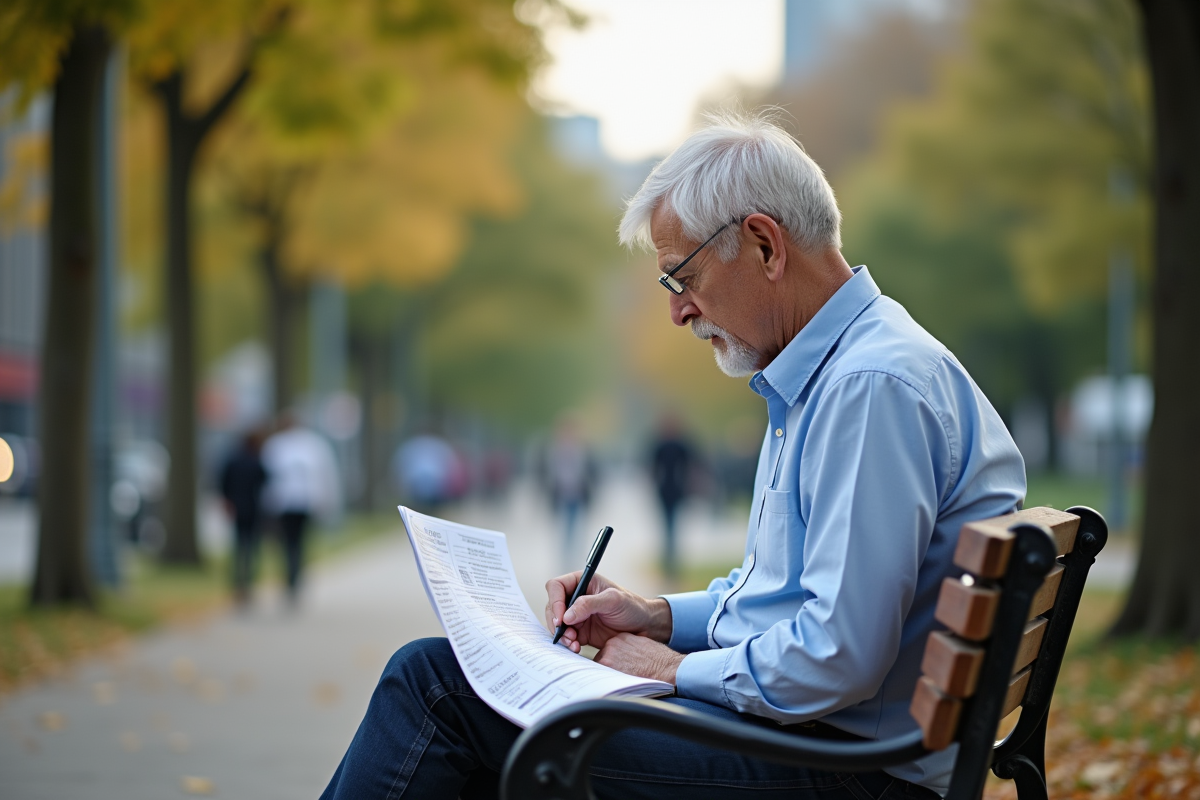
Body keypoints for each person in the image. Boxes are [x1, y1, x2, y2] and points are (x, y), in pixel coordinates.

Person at [319, 110, 1025, 800]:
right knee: (482, 709)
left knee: (439, 685)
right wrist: (650, 615)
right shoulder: (837, 375)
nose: (678, 312)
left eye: (681, 279)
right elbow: (775, 600)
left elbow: (836, 658)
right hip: (826, 745)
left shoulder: (870, 389)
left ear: (764, 246)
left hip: (847, 771)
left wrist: (670, 669)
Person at [261, 413, 340, 606]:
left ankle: (294, 577)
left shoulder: (284, 445)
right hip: (292, 503)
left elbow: (325, 474)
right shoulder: (305, 445)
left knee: (294, 541)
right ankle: (293, 576)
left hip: (298, 502)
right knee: (293, 542)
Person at [219, 429, 268, 608]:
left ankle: (238, 582)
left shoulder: (233, 460)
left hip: (237, 509)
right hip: (254, 509)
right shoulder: (257, 461)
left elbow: (223, 483)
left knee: (238, 546)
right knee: (252, 547)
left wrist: (227, 501)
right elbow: (265, 482)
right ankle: (248, 582)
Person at [648, 414, 695, 581]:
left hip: (676, 491)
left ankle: (672, 561)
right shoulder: (660, 445)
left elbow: (691, 465)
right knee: (668, 527)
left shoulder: (681, 445)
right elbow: (652, 467)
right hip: (665, 491)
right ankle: (669, 561)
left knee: (673, 527)